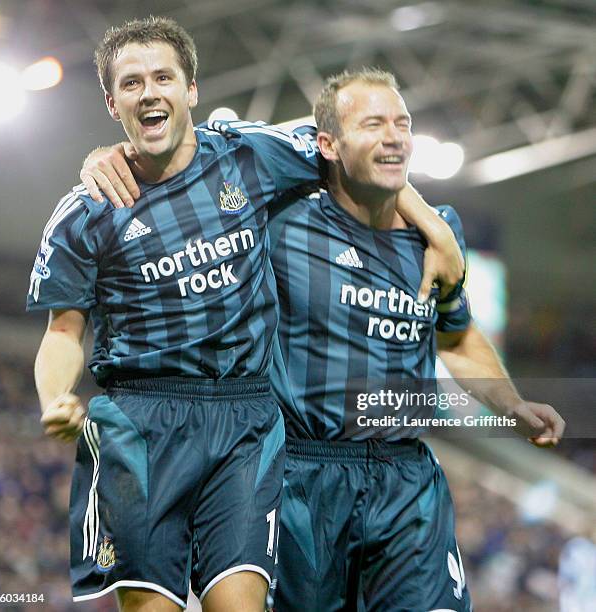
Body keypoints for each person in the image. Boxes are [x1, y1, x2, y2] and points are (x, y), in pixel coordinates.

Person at [86, 67, 565, 612]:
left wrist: (511, 404)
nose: (395, 136)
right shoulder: (277, 220)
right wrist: (112, 156)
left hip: (406, 481)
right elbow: (189, 150)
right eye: (374, 123)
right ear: (327, 145)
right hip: (299, 480)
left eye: (402, 123)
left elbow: (455, 337)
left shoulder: (438, 236)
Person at [28, 17, 461, 612]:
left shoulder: (251, 156)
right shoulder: (86, 212)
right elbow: (63, 331)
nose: (149, 92)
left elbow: (356, 148)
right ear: (112, 101)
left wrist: (437, 229)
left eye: (163, 77)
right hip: (141, 422)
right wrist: (55, 396)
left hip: (244, 417)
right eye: (132, 84)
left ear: (192, 90)